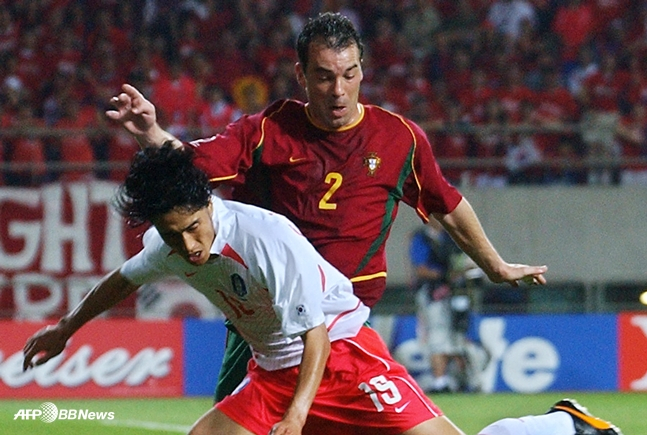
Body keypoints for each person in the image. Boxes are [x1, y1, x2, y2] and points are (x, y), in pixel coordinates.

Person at [22, 145, 622, 435]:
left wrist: (298, 416)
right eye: (172, 236)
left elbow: (314, 334)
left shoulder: (264, 238)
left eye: (193, 228)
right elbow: (120, 280)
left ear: (208, 203)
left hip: (343, 354)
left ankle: (561, 425)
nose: (188, 247)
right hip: (272, 372)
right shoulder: (170, 242)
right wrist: (66, 328)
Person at [105, 12, 549, 404]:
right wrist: (150, 133)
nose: (339, 91)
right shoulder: (268, 130)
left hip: (346, 318)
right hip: (268, 319)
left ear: (362, 70)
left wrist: (494, 266)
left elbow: (447, 205)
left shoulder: (399, 138)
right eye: (323, 77)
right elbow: (192, 167)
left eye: (349, 74)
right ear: (301, 75)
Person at [410, 217, 484, 393]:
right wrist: (446, 275)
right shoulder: (422, 237)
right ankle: (440, 381)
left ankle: (463, 379)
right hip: (433, 293)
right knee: (437, 336)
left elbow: (465, 261)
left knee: (458, 336)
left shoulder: (449, 237)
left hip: (455, 293)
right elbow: (420, 269)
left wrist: (461, 272)